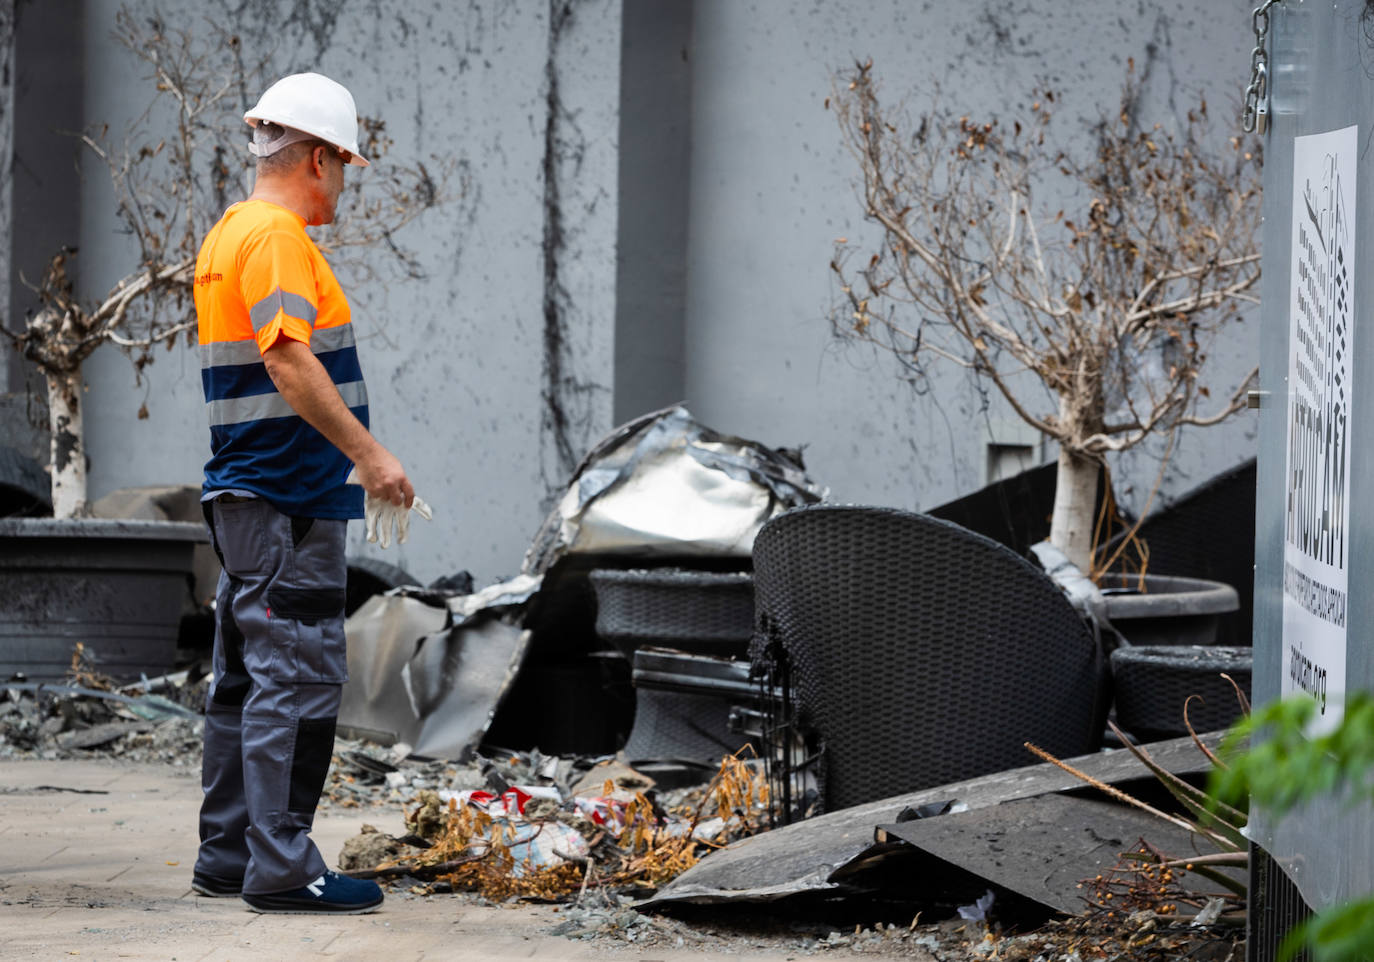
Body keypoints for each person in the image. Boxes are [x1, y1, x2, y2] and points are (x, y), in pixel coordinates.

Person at [190, 72, 411, 914]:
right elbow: (286, 358)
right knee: (298, 677)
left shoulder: (228, 236)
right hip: (289, 499)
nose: (344, 183)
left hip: (250, 496)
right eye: (345, 164)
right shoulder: (278, 239)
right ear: (317, 158)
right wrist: (369, 455)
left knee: (244, 681)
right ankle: (282, 866)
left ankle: (228, 854)